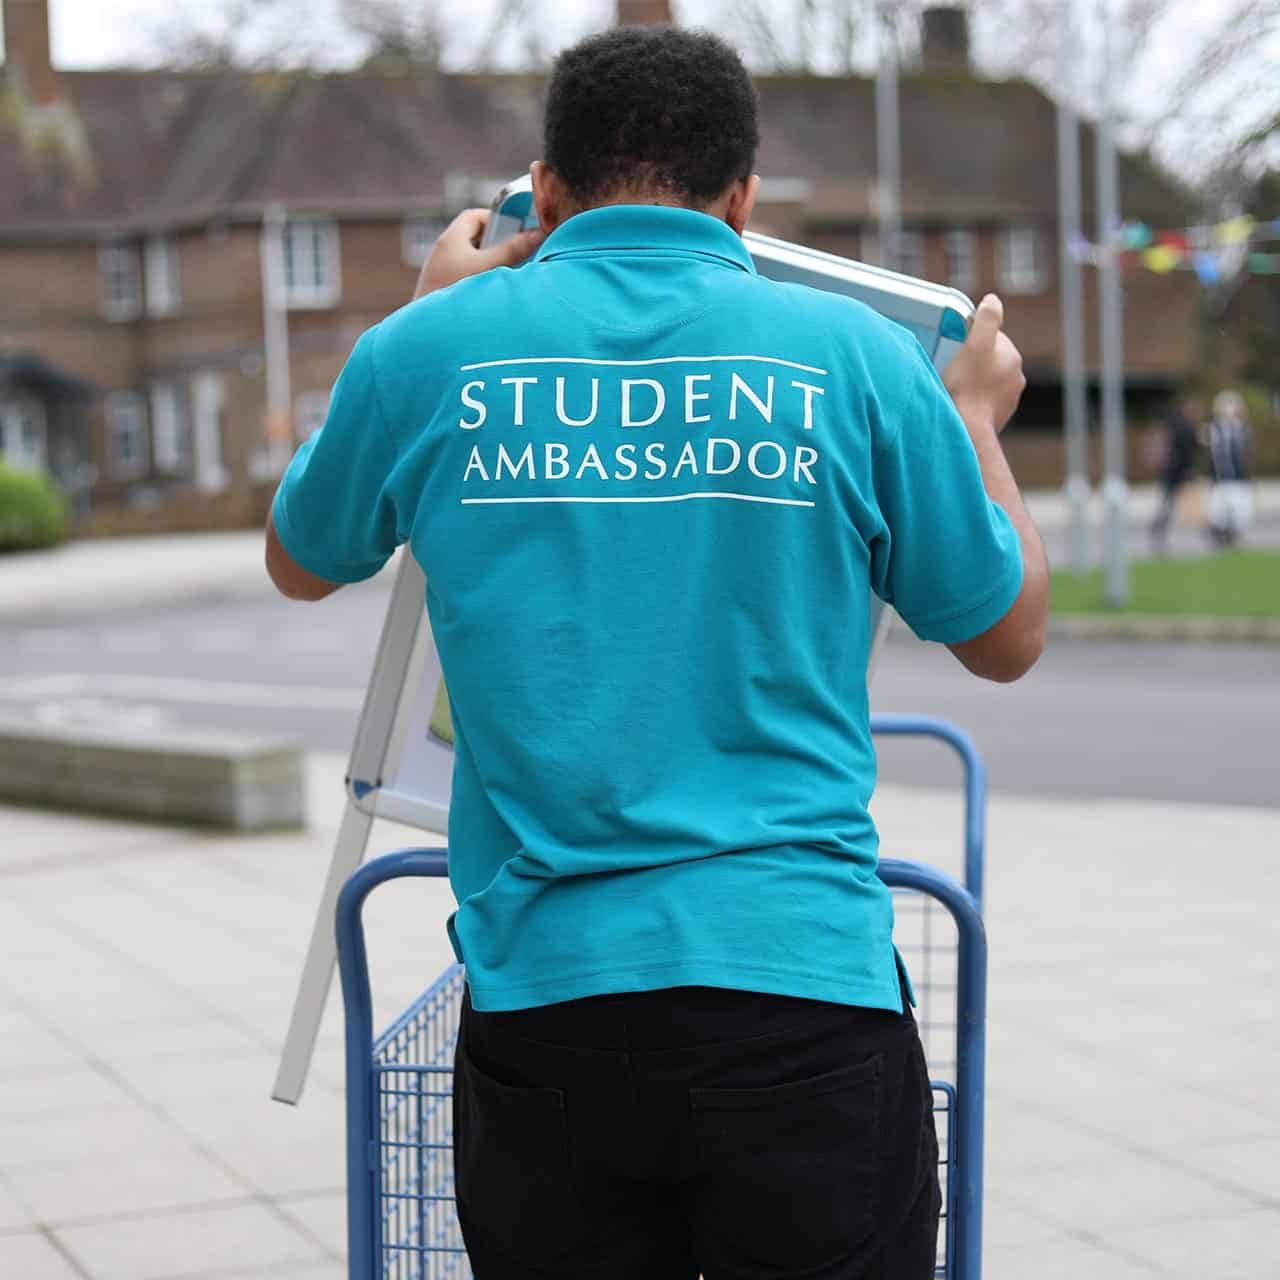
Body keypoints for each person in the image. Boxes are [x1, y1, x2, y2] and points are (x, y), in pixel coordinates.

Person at [265, 25, 1047, 1280]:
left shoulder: (428, 355)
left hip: (547, 1012)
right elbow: (1005, 636)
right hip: (803, 993)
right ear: (741, 200)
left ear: (550, 190)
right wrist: (972, 422)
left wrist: (426, 309)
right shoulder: (852, 360)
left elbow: (301, 557)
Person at [1148, 395, 1202, 554]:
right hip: (1179, 472)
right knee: (1194, 505)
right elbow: (1189, 449)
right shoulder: (1186, 426)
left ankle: (1158, 531)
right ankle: (1217, 536)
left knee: (1167, 505)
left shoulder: (1169, 423)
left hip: (1169, 473)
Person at [1206, 388, 1253, 547]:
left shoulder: (1242, 429)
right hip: (1221, 479)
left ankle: (1233, 538)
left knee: (1240, 512)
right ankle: (1220, 537)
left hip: (1239, 478)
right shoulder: (1215, 430)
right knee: (1218, 513)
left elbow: (1243, 452)